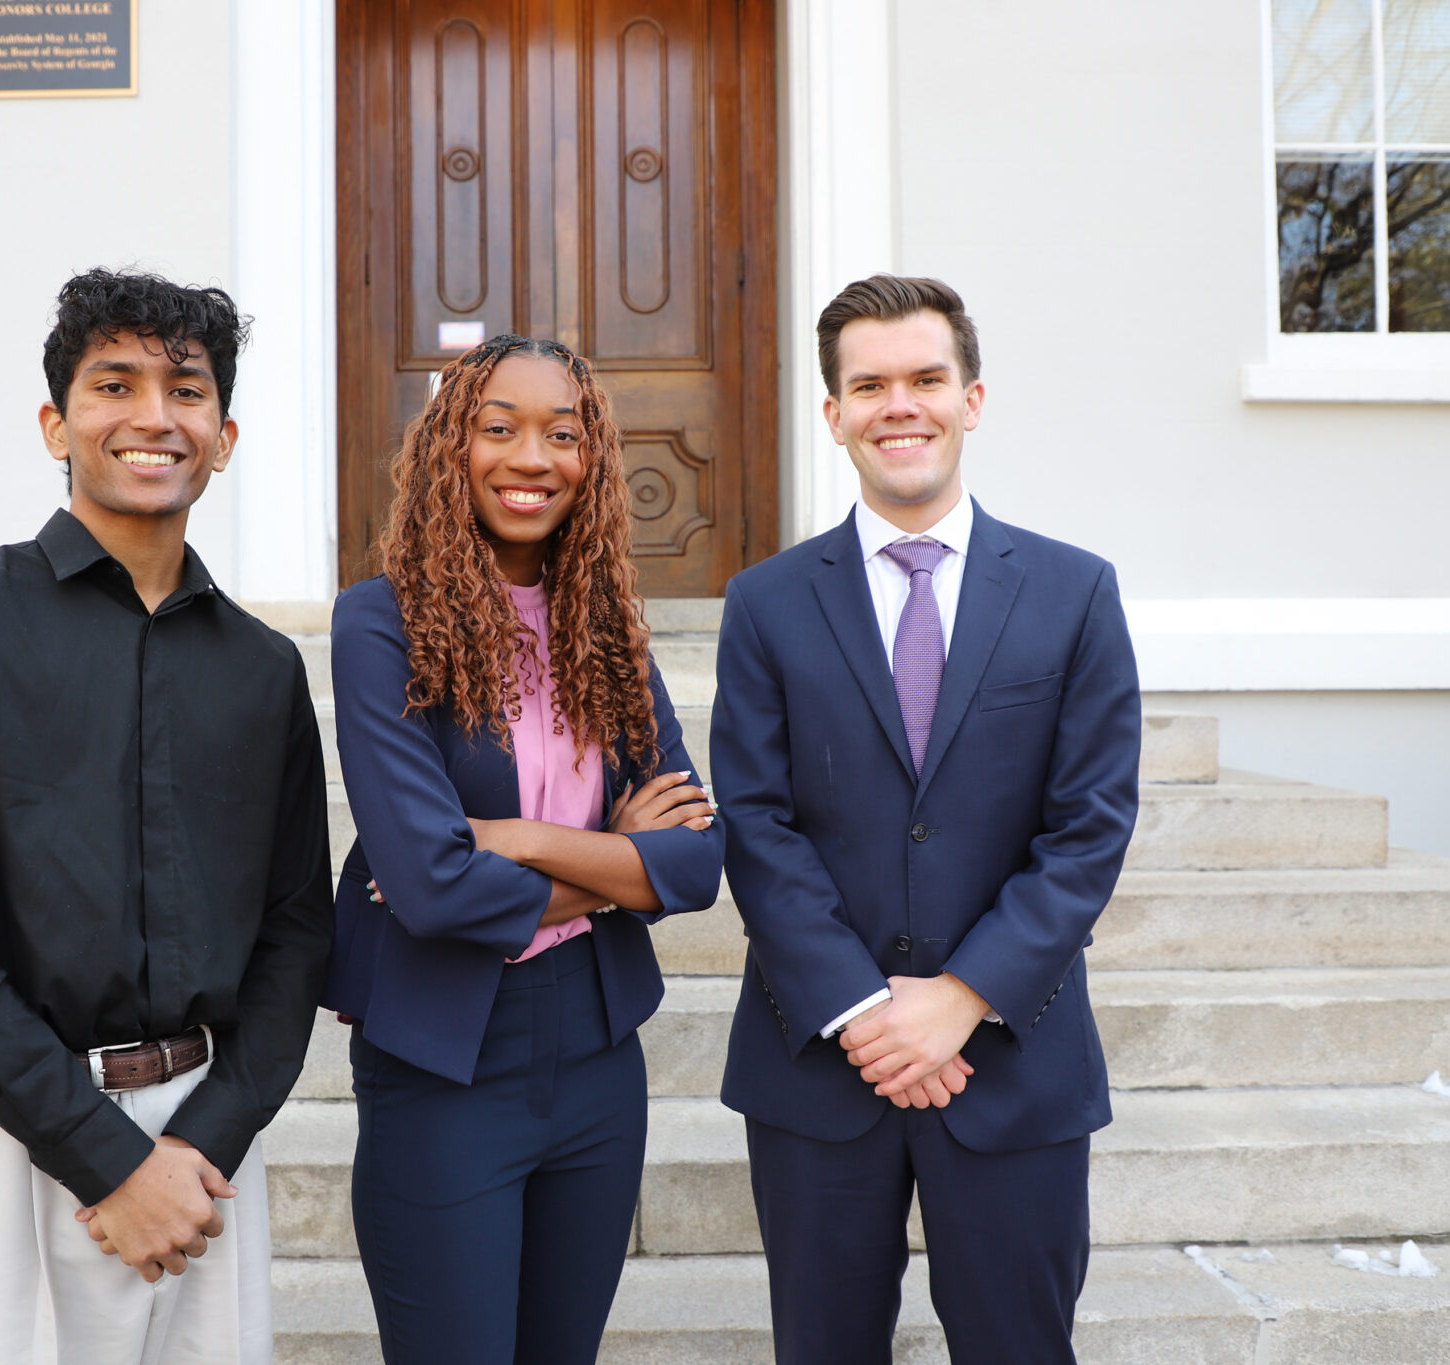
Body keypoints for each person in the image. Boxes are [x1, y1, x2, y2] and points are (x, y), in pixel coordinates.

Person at [0, 268, 332, 1364]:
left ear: (225, 433)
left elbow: (296, 933)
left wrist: (199, 1146)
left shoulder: (262, 672)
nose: (154, 417)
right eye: (114, 384)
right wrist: (106, 1162)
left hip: (198, 1153)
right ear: (55, 424)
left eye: (187, 391)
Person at [713, 275, 1141, 1363]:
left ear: (971, 399)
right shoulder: (764, 601)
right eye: (868, 385)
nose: (896, 404)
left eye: (922, 379)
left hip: (1011, 1060)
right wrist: (862, 1011)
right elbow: (756, 825)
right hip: (820, 1066)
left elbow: (1087, 827)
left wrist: (959, 999)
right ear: (834, 414)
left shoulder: (1071, 591)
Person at [323, 334, 726, 1363]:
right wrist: (608, 866)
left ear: (591, 458)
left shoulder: (607, 632)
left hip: (594, 1059)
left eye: (561, 432)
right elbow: (429, 889)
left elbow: (690, 867)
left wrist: (528, 839)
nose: (529, 458)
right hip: (445, 1063)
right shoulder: (381, 627)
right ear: (449, 447)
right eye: (496, 428)